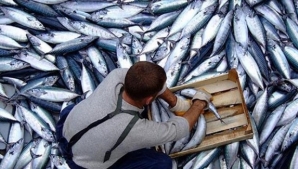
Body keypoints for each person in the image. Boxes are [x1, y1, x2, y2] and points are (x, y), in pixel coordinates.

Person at [56, 61, 211, 169]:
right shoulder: (133, 130)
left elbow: (154, 83)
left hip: (65, 129)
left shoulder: (116, 76)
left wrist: (176, 103)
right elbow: (180, 129)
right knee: (162, 163)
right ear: (150, 99)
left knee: (73, 110)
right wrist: (199, 103)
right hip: (85, 165)